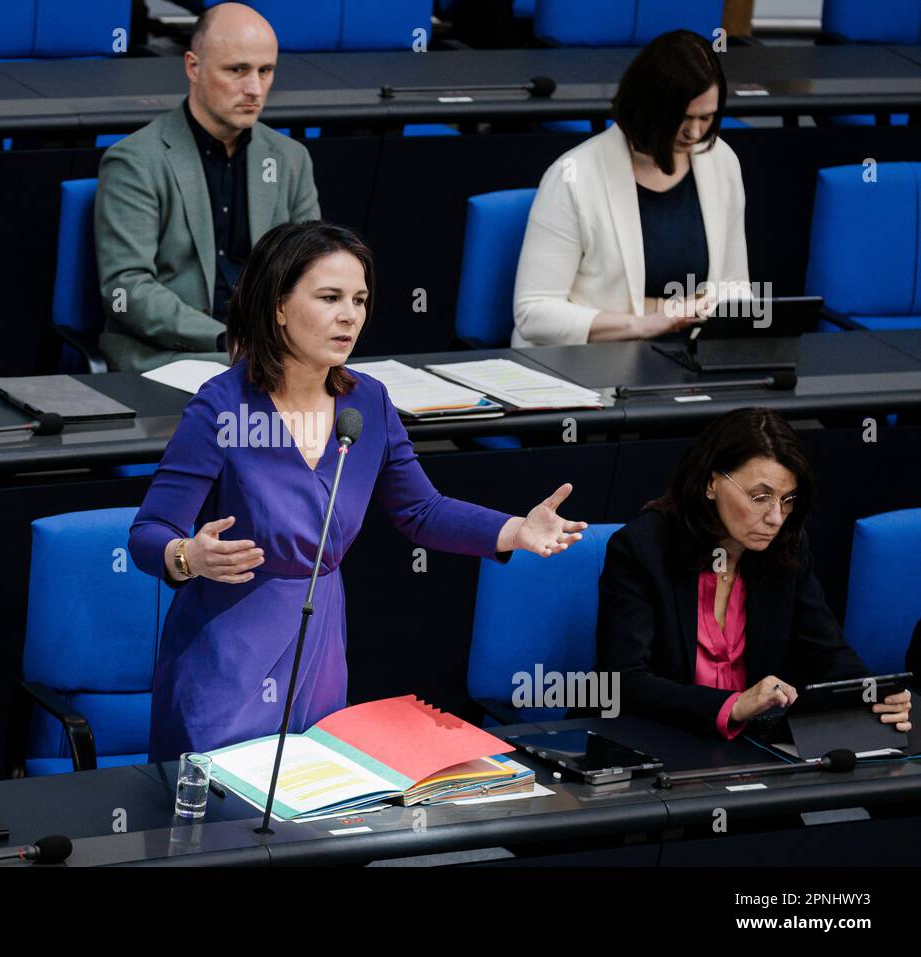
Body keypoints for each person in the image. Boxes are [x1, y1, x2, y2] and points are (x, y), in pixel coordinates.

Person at [129, 221, 588, 761]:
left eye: (360, 300)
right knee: (220, 826)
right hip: (228, 650)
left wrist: (515, 530)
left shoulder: (366, 402)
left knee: (311, 814)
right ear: (278, 305)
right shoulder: (221, 406)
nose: (350, 315)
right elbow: (148, 533)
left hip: (319, 643)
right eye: (330, 298)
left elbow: (421, 510)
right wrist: (188, 556)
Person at [597, 407, 912, 739]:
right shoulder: (641, 549)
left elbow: (825, 650)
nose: (776, 518)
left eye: (787, 500)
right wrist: (731, 706)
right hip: (657, 739)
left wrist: (868, 694)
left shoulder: (785, 548)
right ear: (711, 484)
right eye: (760, 496)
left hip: (754, 747)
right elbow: (623, 682)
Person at [95, 2, 321, 373]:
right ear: (192, 67)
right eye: (237, 70)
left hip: (270, 355)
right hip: (172, 355)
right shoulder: (136, 161)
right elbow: (127, 288)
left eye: (265, 72)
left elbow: (310, 272)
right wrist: (228, 338)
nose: (254, 89)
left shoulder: (290, 159)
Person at [512, 30, 750, 347]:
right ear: (649, 108)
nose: (694, 133)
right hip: (588, 363)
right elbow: (533, 313)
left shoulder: (720, 160)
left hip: (686, 358)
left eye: (706, 118)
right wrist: (644, 325)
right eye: (683, 118)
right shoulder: (573, 176)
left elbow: (735, 286)